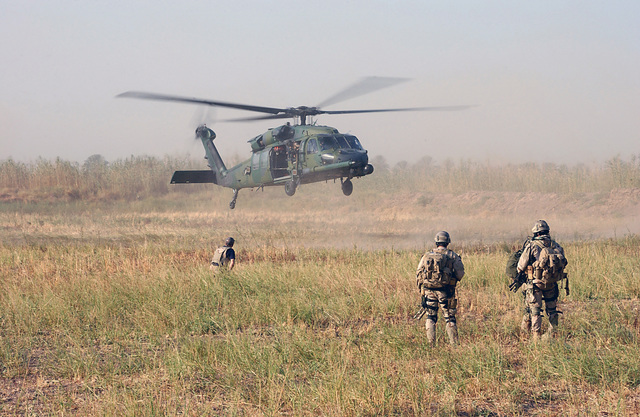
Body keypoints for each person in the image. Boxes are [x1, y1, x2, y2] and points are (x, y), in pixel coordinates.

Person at [517, 220, 568, 340]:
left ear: (536, 233)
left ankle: (536, 336)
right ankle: (553, 333)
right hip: (552, 284)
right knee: (552, 309)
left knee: (535, 310)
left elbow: (520, 265)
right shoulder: (555, 245)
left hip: (536, 284)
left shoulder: (532, 245)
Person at [416, 231, 465, 345]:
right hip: (447, 291)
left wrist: (421, 289)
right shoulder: (453, 256)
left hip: (429, 290)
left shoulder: (427, 255)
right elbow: (460, 274)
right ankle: (454, 345)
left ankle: (431, 343)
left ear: (436, 241)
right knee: (449, 317)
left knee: (431, 316)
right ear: (448, 242)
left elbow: (419, 272)